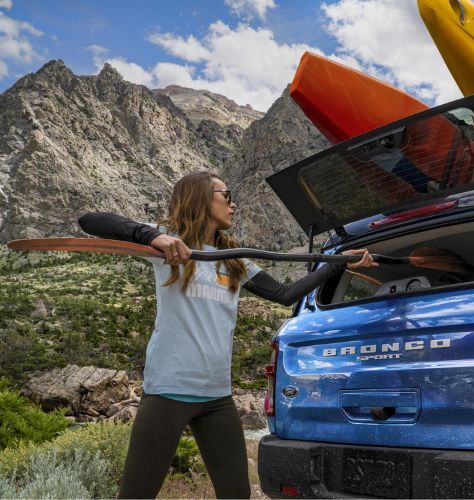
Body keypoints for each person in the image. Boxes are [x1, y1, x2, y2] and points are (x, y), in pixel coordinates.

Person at [78, 171, 376, 498]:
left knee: (237, 494)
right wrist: (151, 236)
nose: (233, 204)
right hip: (168, 391)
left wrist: (335, 264)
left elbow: (285, 294)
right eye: (226, 195)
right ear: (201, 198)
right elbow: (90, 219)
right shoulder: (168, 244)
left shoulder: (235, 260)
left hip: (217, 396)